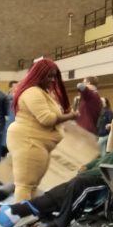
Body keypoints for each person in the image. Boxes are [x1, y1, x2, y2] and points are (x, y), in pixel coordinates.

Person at [5, 58, 76, 203]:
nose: (52, 80)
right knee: (25, 185)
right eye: (49, 76)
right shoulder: (32, 92)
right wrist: (71, 116)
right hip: (29, 142)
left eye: (54, 76)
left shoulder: (40, 92)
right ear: (39, 75)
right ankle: (24, 220)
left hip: (36, 143)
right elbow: (47, 119)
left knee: (31, 185)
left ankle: (29, 218)